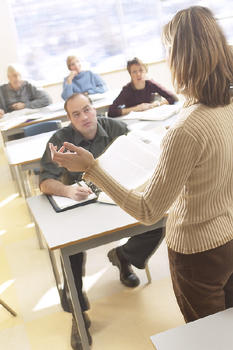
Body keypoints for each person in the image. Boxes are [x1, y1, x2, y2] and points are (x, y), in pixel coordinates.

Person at [50, 6, 233, 325]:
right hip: (228, 238)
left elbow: (149, 211)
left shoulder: (187, 129)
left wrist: (92, 169)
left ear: (180, 59)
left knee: (207, 335)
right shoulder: (224, 106)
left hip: (198, 253)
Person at [40, 93, 164, 349]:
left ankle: (123, 256)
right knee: (70, 252)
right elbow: (45, 181)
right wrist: (68, 190)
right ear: (69, 118)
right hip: (82, 206)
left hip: (120, 198)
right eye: (76, 114)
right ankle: (78, 312)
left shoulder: (117, 128)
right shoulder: (59, 139)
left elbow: (143, 157)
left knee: (158, 222)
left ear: (94, 108)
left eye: (87, 109)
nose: (84, 117)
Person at [108, 57, 177, 117]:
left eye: (141, 70)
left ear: (145, 71)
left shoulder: (150, 84)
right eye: (134, 72)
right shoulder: (127, 89)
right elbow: (111, 112)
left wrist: (154, 105)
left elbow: (173, 98)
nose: (138, 74)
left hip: (150, 116)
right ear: (130, 74)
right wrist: (136, 108)